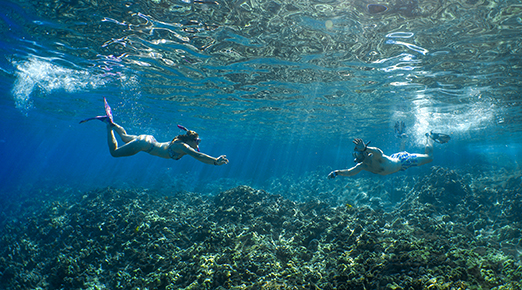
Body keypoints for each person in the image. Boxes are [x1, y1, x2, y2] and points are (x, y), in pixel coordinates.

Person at [80, 98, 229, 166]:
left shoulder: (182, 143)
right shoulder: (183, 146)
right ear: (189, 140)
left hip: (149, 139)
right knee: (114, 152)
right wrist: (215, 161)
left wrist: (198, 144)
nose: (198, 143)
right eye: (196, 141)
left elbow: (197, 151)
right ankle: (108, 125)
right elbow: (198, 155)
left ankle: (111, 122)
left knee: (125, 137)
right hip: (145, 145)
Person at [328, 124, 450, 178]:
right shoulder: (362, 166)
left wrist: (365, 148)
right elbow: (350, 172)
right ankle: (402, 138)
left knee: (429, 157)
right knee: (395, 157)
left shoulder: (373, 156)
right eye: (355, 155)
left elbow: (378, 151)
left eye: (358, 154)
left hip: (403, 161)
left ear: (365, 153)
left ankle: (429, 136)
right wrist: (336, 172)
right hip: (395, 163)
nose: (356, 158)